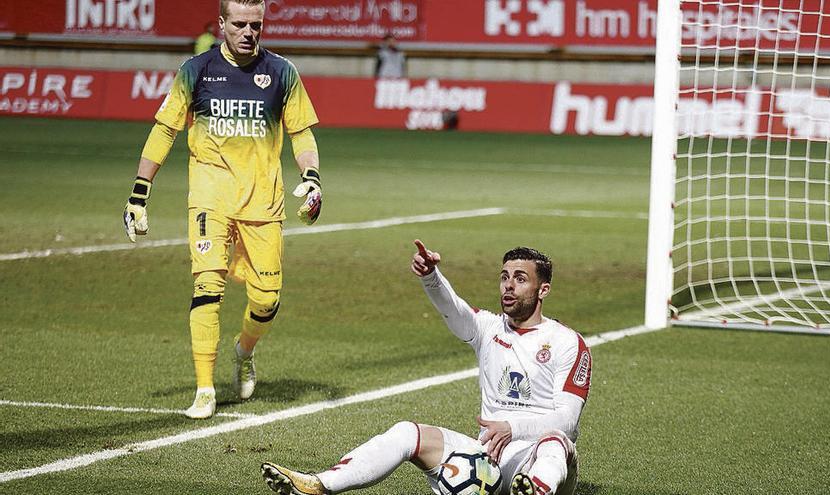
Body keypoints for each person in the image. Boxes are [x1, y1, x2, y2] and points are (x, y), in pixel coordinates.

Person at [261, 241, 592, 495]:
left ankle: (534, 489)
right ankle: (319, 485)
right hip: (488, 461)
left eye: (520, 279)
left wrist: (512, 428)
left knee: (555, 441)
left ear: (543, 289)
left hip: (544, 462)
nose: (508, 285)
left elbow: (568, 421)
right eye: (504, 277)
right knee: (407, 433)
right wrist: (431, 277)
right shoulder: (490, 328)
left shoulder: (567, 342)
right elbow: (455, 310)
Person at [122, 0, 323, 419]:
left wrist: (312, 177)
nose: (249, 32)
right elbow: (165, 130)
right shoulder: (195, 71)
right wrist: (139, 192)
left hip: (263, 204)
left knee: (267, 298)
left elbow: (301, 134)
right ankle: (204, 389)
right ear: (221, 24)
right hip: (209, 197)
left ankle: (244, 350)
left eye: (256, 24)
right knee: (206, 288)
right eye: (240, 24)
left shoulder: (283, 73)